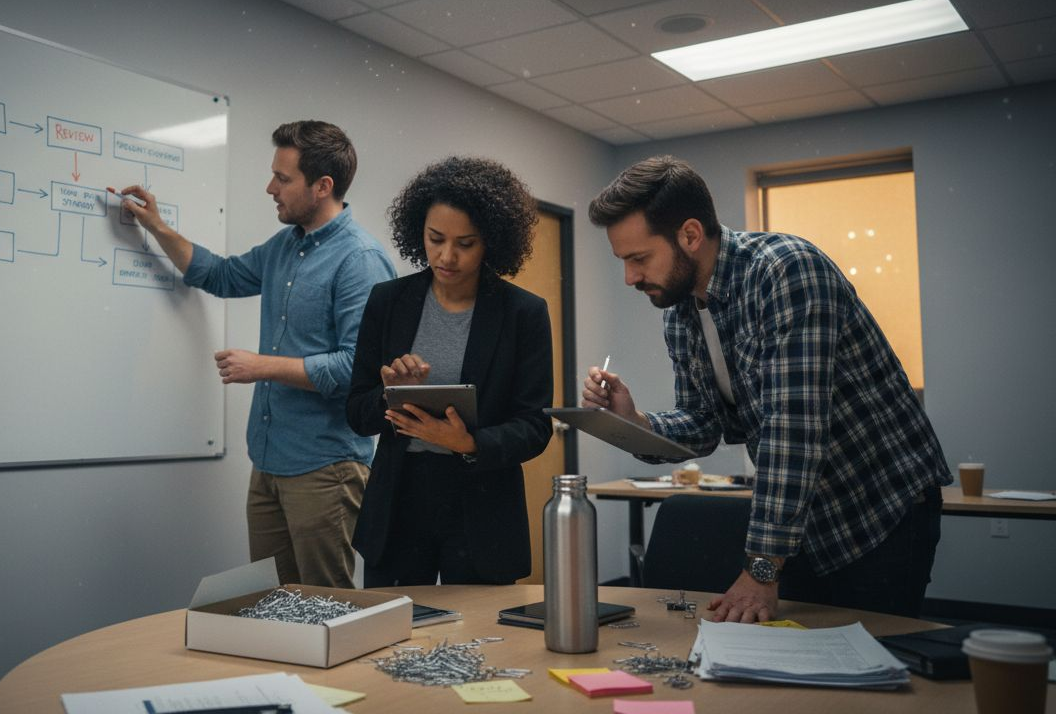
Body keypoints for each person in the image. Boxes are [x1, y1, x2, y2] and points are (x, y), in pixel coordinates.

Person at [581, 155, 951, 622]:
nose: (630, 278)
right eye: (623, 261)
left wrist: (760, 569)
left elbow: (791, 431)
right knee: (803, 662)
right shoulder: (680, 314)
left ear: (690, 236)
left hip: (880, 506)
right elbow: (703, 424)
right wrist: (634, 422)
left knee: (876, 666)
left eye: (639, 258)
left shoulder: (786, 271)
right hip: (806, 521)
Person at [112, 120, 395, 588]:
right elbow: (219, 275)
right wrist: (157, 226)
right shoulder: (285, 247)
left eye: (282, 179)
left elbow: (356, 368)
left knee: (326, 607)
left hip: (326, 466)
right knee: (272, 605)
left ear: (323, 186)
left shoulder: (359, 259)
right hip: (268, 460)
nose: (270, 188)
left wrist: (262, 367)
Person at [347, 156, 553, 587]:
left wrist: (469, 442)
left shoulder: (524, 314)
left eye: (466, 243)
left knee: (484, 644)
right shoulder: (388, 301)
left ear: (492, 242)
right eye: (435, 238)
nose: (447, 256)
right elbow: (356, 411)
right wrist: (388, 392)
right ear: (417, 230)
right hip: (399, 502)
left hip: (481, 507)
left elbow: (535, 426)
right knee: (392, 638)